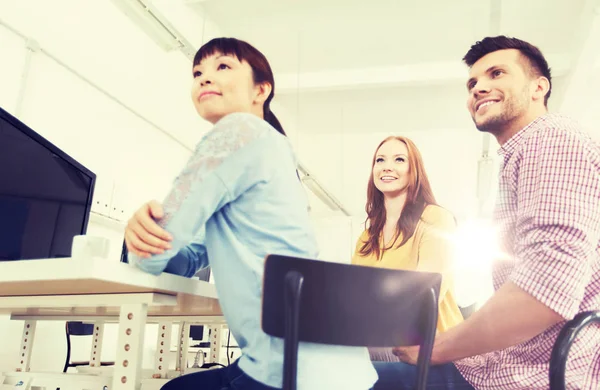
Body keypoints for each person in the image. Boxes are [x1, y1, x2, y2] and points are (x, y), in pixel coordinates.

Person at [124, 37, 377, 390]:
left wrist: (137, 241)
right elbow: (187, 257)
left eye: (223, 66)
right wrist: (147, 234)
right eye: (197, 72)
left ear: (261, 90)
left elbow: (152, 258)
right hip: (341, 373)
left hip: (290, 374)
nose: (204, 78)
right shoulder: (274, 151)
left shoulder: (237, 131)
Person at [374, 36, 600, 390]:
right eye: (473, 83)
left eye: (497, 74)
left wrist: (434, 348)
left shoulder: (552, 139)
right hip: (507, 366)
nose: (480, 88)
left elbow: (549, 288)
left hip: (534, 376)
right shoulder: (522, 156)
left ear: (539, 87)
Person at [352, 135, 463, 362]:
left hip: (433, 348)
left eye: (399, 160)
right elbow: (355, 299)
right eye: (380, 160)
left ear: (415, 171)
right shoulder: (366, 238)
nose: (387, 167)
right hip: (383, 343)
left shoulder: (435, 219)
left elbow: (427, 293)